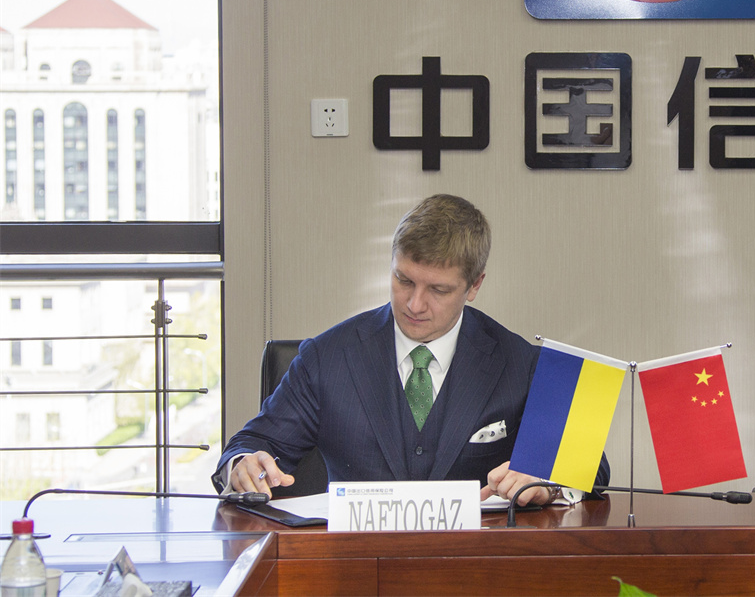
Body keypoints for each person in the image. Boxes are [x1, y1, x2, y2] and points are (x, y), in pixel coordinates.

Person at [213, 193, 609, 505]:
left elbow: (594, 466)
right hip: (354, 566)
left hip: (476, 567)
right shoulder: (326, 358)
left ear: (474, 286)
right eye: (404, 280)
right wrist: (242, 466)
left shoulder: (521, 362)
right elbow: (249, 446)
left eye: (438, 290)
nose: (415, 304)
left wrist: (548, 481)